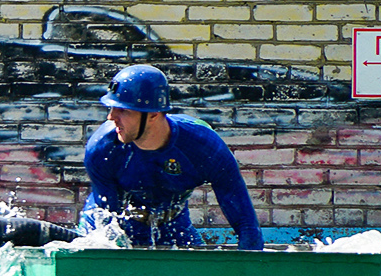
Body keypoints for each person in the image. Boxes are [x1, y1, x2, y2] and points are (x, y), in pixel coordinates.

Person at [81, 64, 263, 250]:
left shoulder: (203, 146)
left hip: (174, 226)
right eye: (112, 108)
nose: (111, 117)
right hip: (115, 225)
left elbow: (247, 225)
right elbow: (108, 224)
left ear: (153, 114)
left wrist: (249, 273)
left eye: (124, 110)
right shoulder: (103, 148)